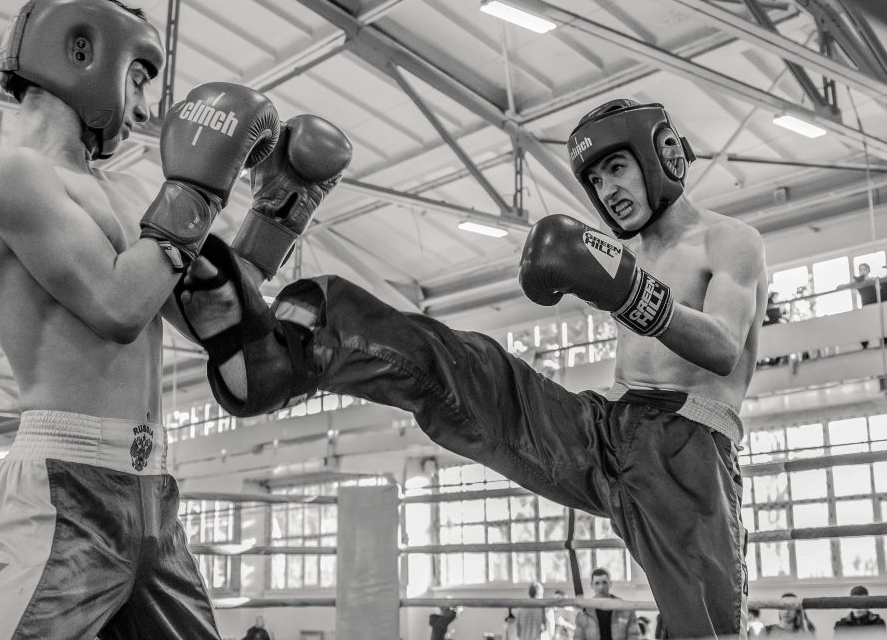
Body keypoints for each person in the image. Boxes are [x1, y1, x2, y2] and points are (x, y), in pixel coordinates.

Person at [185, 99, 766, 638]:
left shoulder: (728, 240)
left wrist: (629, 293)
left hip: (689, 451)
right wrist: (622, 283)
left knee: (706, 633)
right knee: (476, 372)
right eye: (595, 180)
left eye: (616, 168)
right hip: (608, 427)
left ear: (659, 154)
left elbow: (721, 346)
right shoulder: (628, 257)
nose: (605, 190)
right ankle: (304, 345)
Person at [0, 0, 326, 640]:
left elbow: (212, 314)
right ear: (83, 51)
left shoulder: (127, 189)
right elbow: (117, 305)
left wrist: (276, 212)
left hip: (153, 488)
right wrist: (198, 189)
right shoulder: (12, 175)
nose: (148, 110)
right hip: (64, 492)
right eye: (142, 77)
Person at [572, 569, 640, 640]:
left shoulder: (625, 608)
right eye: (597, 583)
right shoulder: (584, 611)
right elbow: (578, 637)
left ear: (610, 583)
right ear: (591, 585)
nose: (601, 587)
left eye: (604, 583)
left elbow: (634, 635)